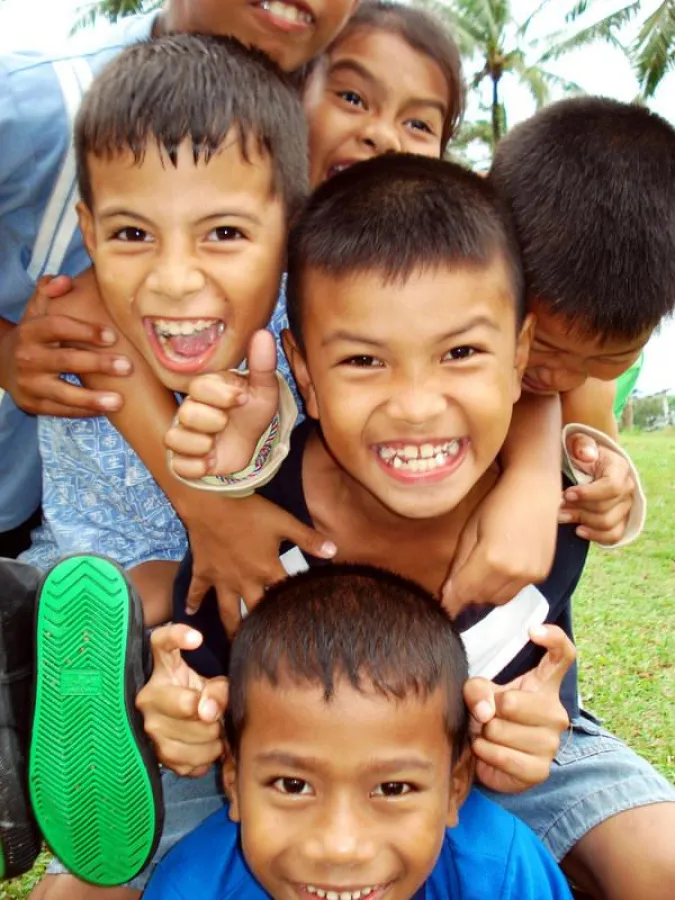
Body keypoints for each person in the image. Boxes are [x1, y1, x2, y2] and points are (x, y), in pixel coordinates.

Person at [142, 156, 674, 900]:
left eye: (459, 353)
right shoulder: (256, 517)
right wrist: (186, 718)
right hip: (289, 785)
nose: (417, 406)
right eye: (363, 360)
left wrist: (526, 727)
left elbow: (540, 700)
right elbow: (200, 693)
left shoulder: (558, 511)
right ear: (304, 370)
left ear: (520, 357)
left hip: (497, 774)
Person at [0, 0, 356, 578]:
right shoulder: (32, 102)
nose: (174, 280)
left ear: (292, 226)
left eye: (222, 232)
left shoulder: (303, 327)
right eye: (133, 233)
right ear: (90, 233)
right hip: (81, 580)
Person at [142, 563, 573, 900]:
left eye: (393, 788)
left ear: (454, 787)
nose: (341, 847)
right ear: (234, 784)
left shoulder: (504, 876)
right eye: (293, 785)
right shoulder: (193, 889)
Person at [490, 97, 675, 539]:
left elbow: (596, 454)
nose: (563, 376)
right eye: (544, 344)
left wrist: (613, 489)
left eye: (605, 359)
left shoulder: (587, 381)